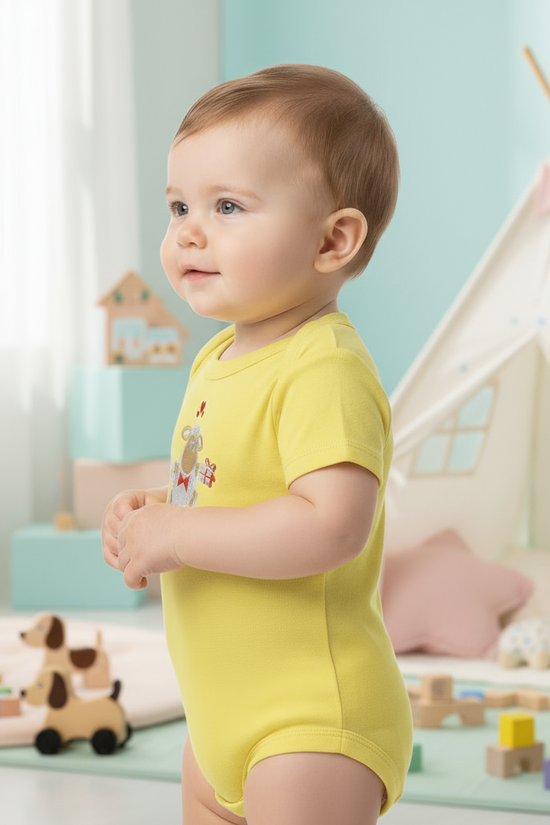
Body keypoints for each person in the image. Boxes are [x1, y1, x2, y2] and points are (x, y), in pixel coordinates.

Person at [102, 64, 413, 825]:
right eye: (179, 205)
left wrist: (178, 531)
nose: (189, 230)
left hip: (307, 721)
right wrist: (158, 507)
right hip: (217, 715)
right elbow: (229, 489)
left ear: (333, 239)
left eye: (228, 205)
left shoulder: (324, 366)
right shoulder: (218, 357)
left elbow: (330, 524)